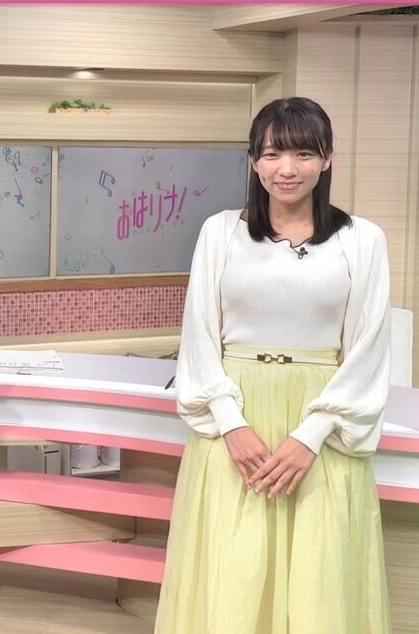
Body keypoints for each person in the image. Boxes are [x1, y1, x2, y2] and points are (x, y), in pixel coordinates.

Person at [155, 97, 392, 633]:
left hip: (322, 424)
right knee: (231, 575)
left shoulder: (362, 240)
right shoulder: (220, 232)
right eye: (272, 154)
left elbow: (368, 346)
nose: (287, 169)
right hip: (233, 422)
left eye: (303, 154)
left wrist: (311, 435)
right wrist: (230, 424)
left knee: (320, 576)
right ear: (253, 161)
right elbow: (199, 335)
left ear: (327, 159)